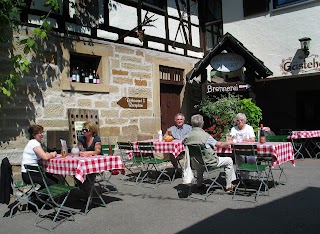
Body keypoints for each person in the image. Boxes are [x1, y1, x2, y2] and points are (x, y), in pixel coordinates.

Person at [183, 114, 236, 192]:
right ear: (202, 123)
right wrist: (229, 142)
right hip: (208, 163)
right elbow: (220, 145)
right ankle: (229, 185)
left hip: (195, 163)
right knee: (229, 160)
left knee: (199, 158)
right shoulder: (205, 136)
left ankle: (199, 184)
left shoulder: (187, 136)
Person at [21, 124, 59, 189]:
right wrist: (53, 154)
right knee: (52, 182)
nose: (42, 134)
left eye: (42, 132)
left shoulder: (34, 143)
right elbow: (45, 157)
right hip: (30, 174)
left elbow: (44, 153)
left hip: (30, 173)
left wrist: (48, 154)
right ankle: (37, 197)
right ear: (34, 135)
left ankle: (38, 197)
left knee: (53, 180)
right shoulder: (34, 143)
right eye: (39, 133)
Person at [230, 113, 256, 180]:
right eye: (238, 120)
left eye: (241, 120)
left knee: (250, 159)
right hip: (238, 151)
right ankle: (244, 178)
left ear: (244, 121)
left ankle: (245, 177)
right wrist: (231, 139)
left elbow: (253, 139)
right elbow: (230, 139)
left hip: (249, 151)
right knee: (239, 157)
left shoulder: (249, 128)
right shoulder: (234, 129)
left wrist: (248, 140)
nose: (240, 122)